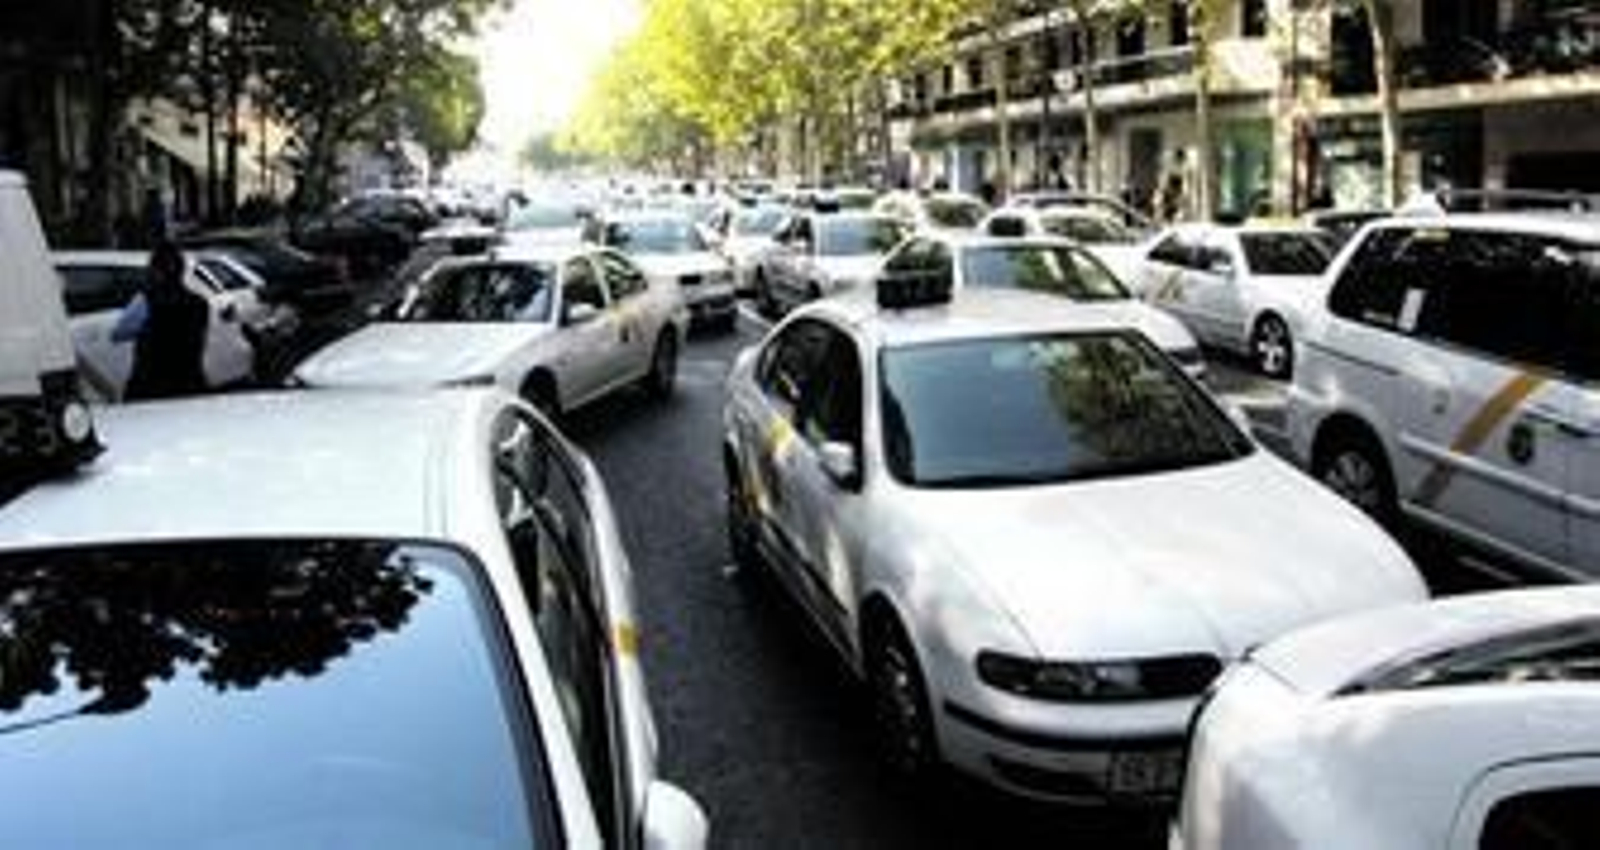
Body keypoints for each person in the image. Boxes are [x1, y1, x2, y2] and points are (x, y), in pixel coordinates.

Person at [123, 242, 210, 401]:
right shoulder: (199, 303)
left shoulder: (146, 301)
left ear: (156, 272)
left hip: (150, 387)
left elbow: (121, 332)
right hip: (189, 384)